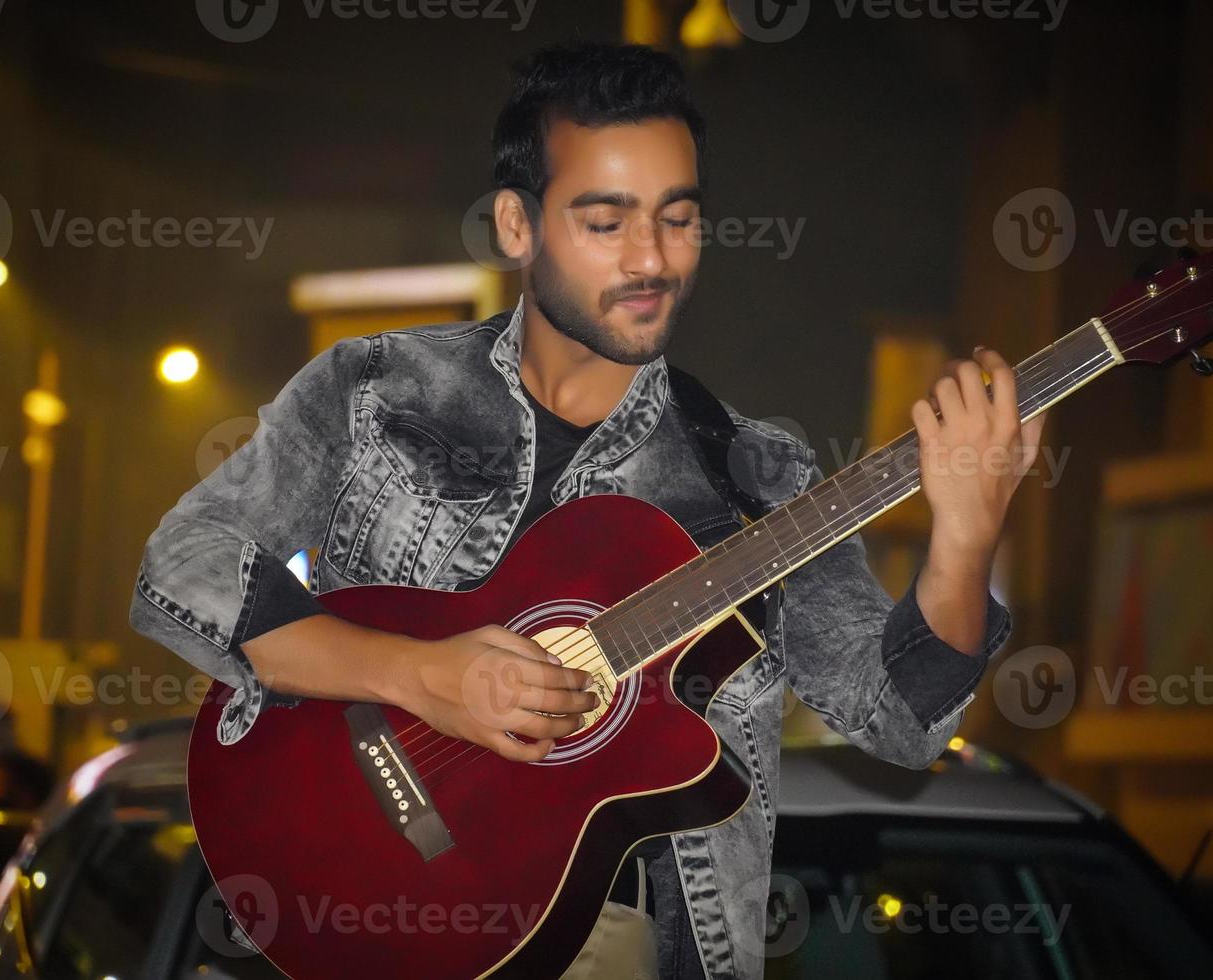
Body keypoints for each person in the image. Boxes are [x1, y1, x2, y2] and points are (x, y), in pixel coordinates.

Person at [130, 41, 1044, 980]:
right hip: (347, 885)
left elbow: (898, 720)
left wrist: (965, 543)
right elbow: (182, 563)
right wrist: (415, 673)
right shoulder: (375, 390)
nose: (652, 259)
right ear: (518, 226)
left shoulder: (755, 474)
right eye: (607, 223)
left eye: (678, 220)